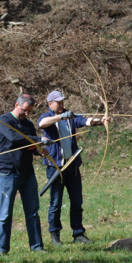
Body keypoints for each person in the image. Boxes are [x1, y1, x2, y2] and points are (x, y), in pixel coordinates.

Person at [37, 90, 110, 245]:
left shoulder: (70, 117)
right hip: (56, 167)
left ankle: (78, 234)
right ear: (50, 104)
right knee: (56, 203)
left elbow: (84, 121)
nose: (62, 104)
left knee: (77, 201)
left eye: (62, 101)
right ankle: (55, 235)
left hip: (73, 166)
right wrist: (61, 117)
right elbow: (42, 124)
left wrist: (100, 121)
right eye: (58, 102)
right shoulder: (47, 117)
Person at [0, 94, 49, 255]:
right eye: (25, 111)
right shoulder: (3, 121)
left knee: (32, 212)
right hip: (8, 172)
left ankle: (37, 246)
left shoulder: (29, 124)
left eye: (29, 112)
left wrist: (40, 150)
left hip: (27, 173)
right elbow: (17, 138)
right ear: (16, 105)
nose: (26, 115)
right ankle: (1, 249)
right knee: (5, 214)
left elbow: (29, 146)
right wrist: (39, 139)